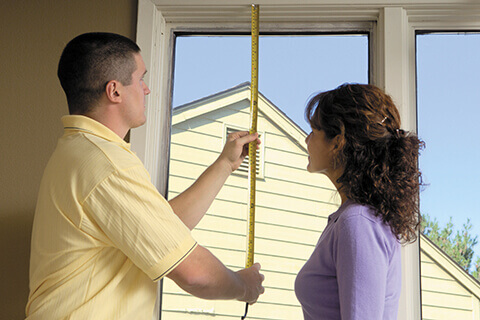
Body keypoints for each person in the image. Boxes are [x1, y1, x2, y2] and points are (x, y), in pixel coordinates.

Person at [26, 32, 264, 320]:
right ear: (115, 91)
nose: (147, 89)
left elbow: (162, 228)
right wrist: (244, 287)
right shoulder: (107, 165)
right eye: (140, 78)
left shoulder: (79, 153)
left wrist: (224, 165)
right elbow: (195, 273)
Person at [295, 83, 424, 320]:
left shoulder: (358, 223)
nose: (307, 139)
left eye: (314, 130)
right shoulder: (352, 219)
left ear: (337, 141)